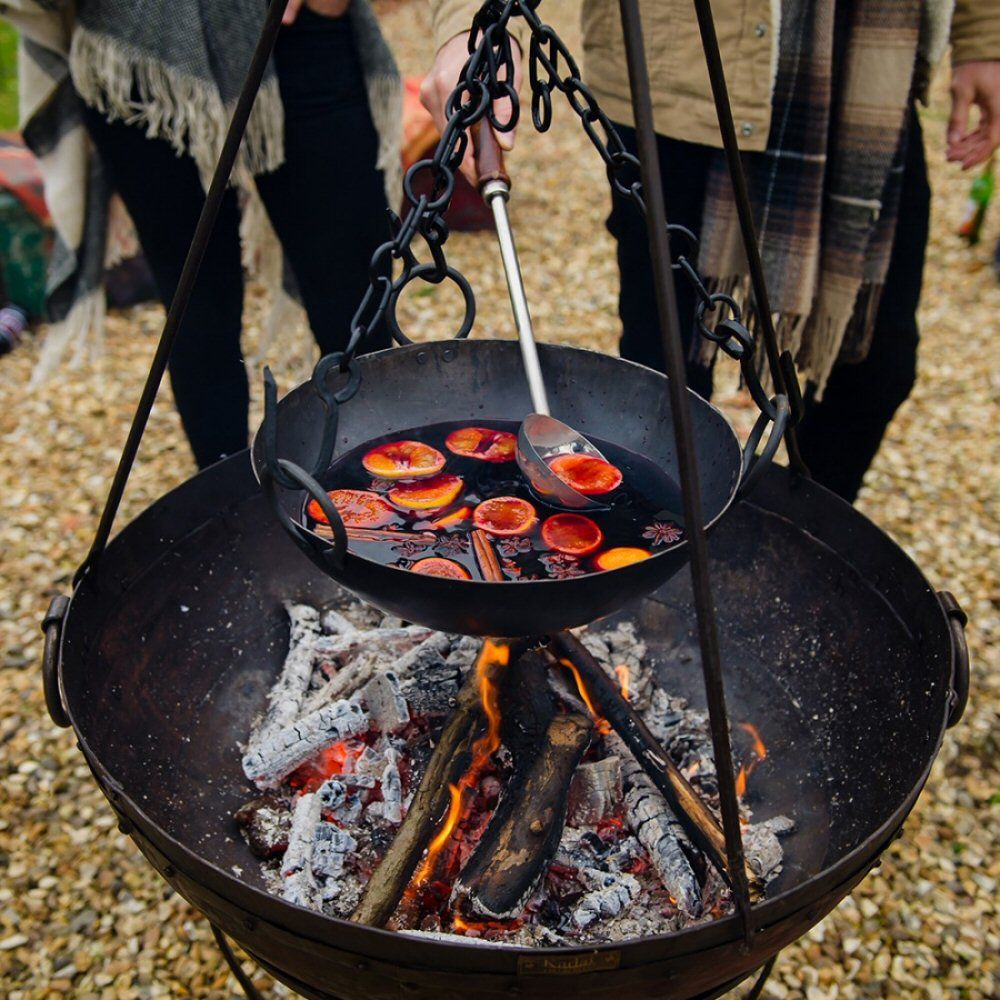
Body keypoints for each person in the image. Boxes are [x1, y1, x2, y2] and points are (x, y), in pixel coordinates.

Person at [422, 1, 1000, 502]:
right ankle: (672, 551)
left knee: (876, 368)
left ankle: (786, 532)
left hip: (868, 80)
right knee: (666, 380)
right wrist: (471, 25)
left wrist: (983, 36)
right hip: (677, 81)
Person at [6, 0, 401, 469]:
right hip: (137, 48)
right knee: (196, 307)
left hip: (294, 30)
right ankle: (229, 497)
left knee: (353, 295)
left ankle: (383, 485)